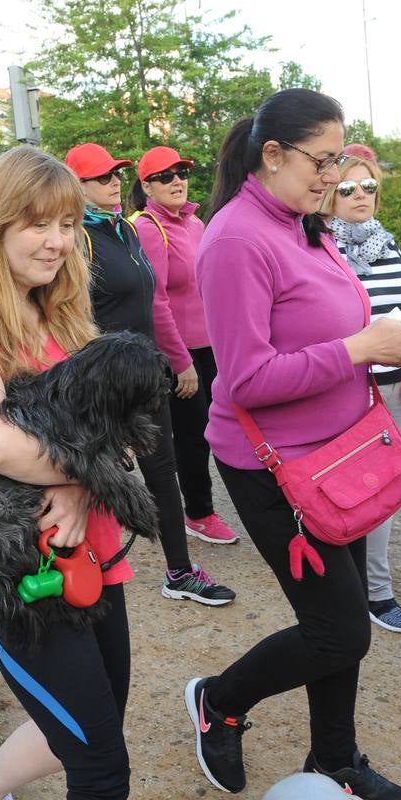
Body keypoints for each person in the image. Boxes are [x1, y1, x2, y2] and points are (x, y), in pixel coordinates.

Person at [185, 89, 401, 800]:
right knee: (340, 629)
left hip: (337, 456)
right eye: (323, 161)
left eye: (340, 160)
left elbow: (318, 328)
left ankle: (335, 760)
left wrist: (385, 345)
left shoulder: (300, 225)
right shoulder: (235, 239)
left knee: (340, 621)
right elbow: (248, 378)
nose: (333, 175)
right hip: (277, 468)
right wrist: (361, 347)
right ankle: (218, 701)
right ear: (273, 155)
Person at [0, 146, 132, 800]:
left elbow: (115, 426)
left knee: (89, 729)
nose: (59, 242)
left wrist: (82, 478)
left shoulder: (59, 312)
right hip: (21, 566)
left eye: (68, 224)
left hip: (90, 553)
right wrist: (89, 472)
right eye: (39, 224)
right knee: (99, 759)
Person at [67, 142, 235, 607]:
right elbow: (67, 316)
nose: (113, 182)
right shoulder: (75, 239)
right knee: (88, 479)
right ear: (76, 187)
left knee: (163, 471)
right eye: (102, 178)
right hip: (101, 384)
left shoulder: (124, 230)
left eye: (116, 174)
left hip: (146, 375)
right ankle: (77, 573)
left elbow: (155, 301)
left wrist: (174, 360)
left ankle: (179, 572)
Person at [319, 144, 401, 635]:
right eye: (348, 187)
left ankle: (366, 583)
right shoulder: (320, 247)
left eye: (369, 186)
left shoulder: (386, 244)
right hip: (350, 389)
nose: (361, 195)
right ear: (330, 193)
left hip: (399, 385)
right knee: (353, 491)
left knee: (393, 487)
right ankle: (374, 592)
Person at [132, 145, 241, 547]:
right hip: (178, 354)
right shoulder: (148, 227)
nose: (176, 181)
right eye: (165, 176)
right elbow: (156, 301)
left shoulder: (195, 224)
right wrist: (181, 362)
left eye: (181, 172)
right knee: (192, 435)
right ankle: (198, 513)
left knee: (214, 429)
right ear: (146, 186)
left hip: (211, 347)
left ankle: (193, 506)